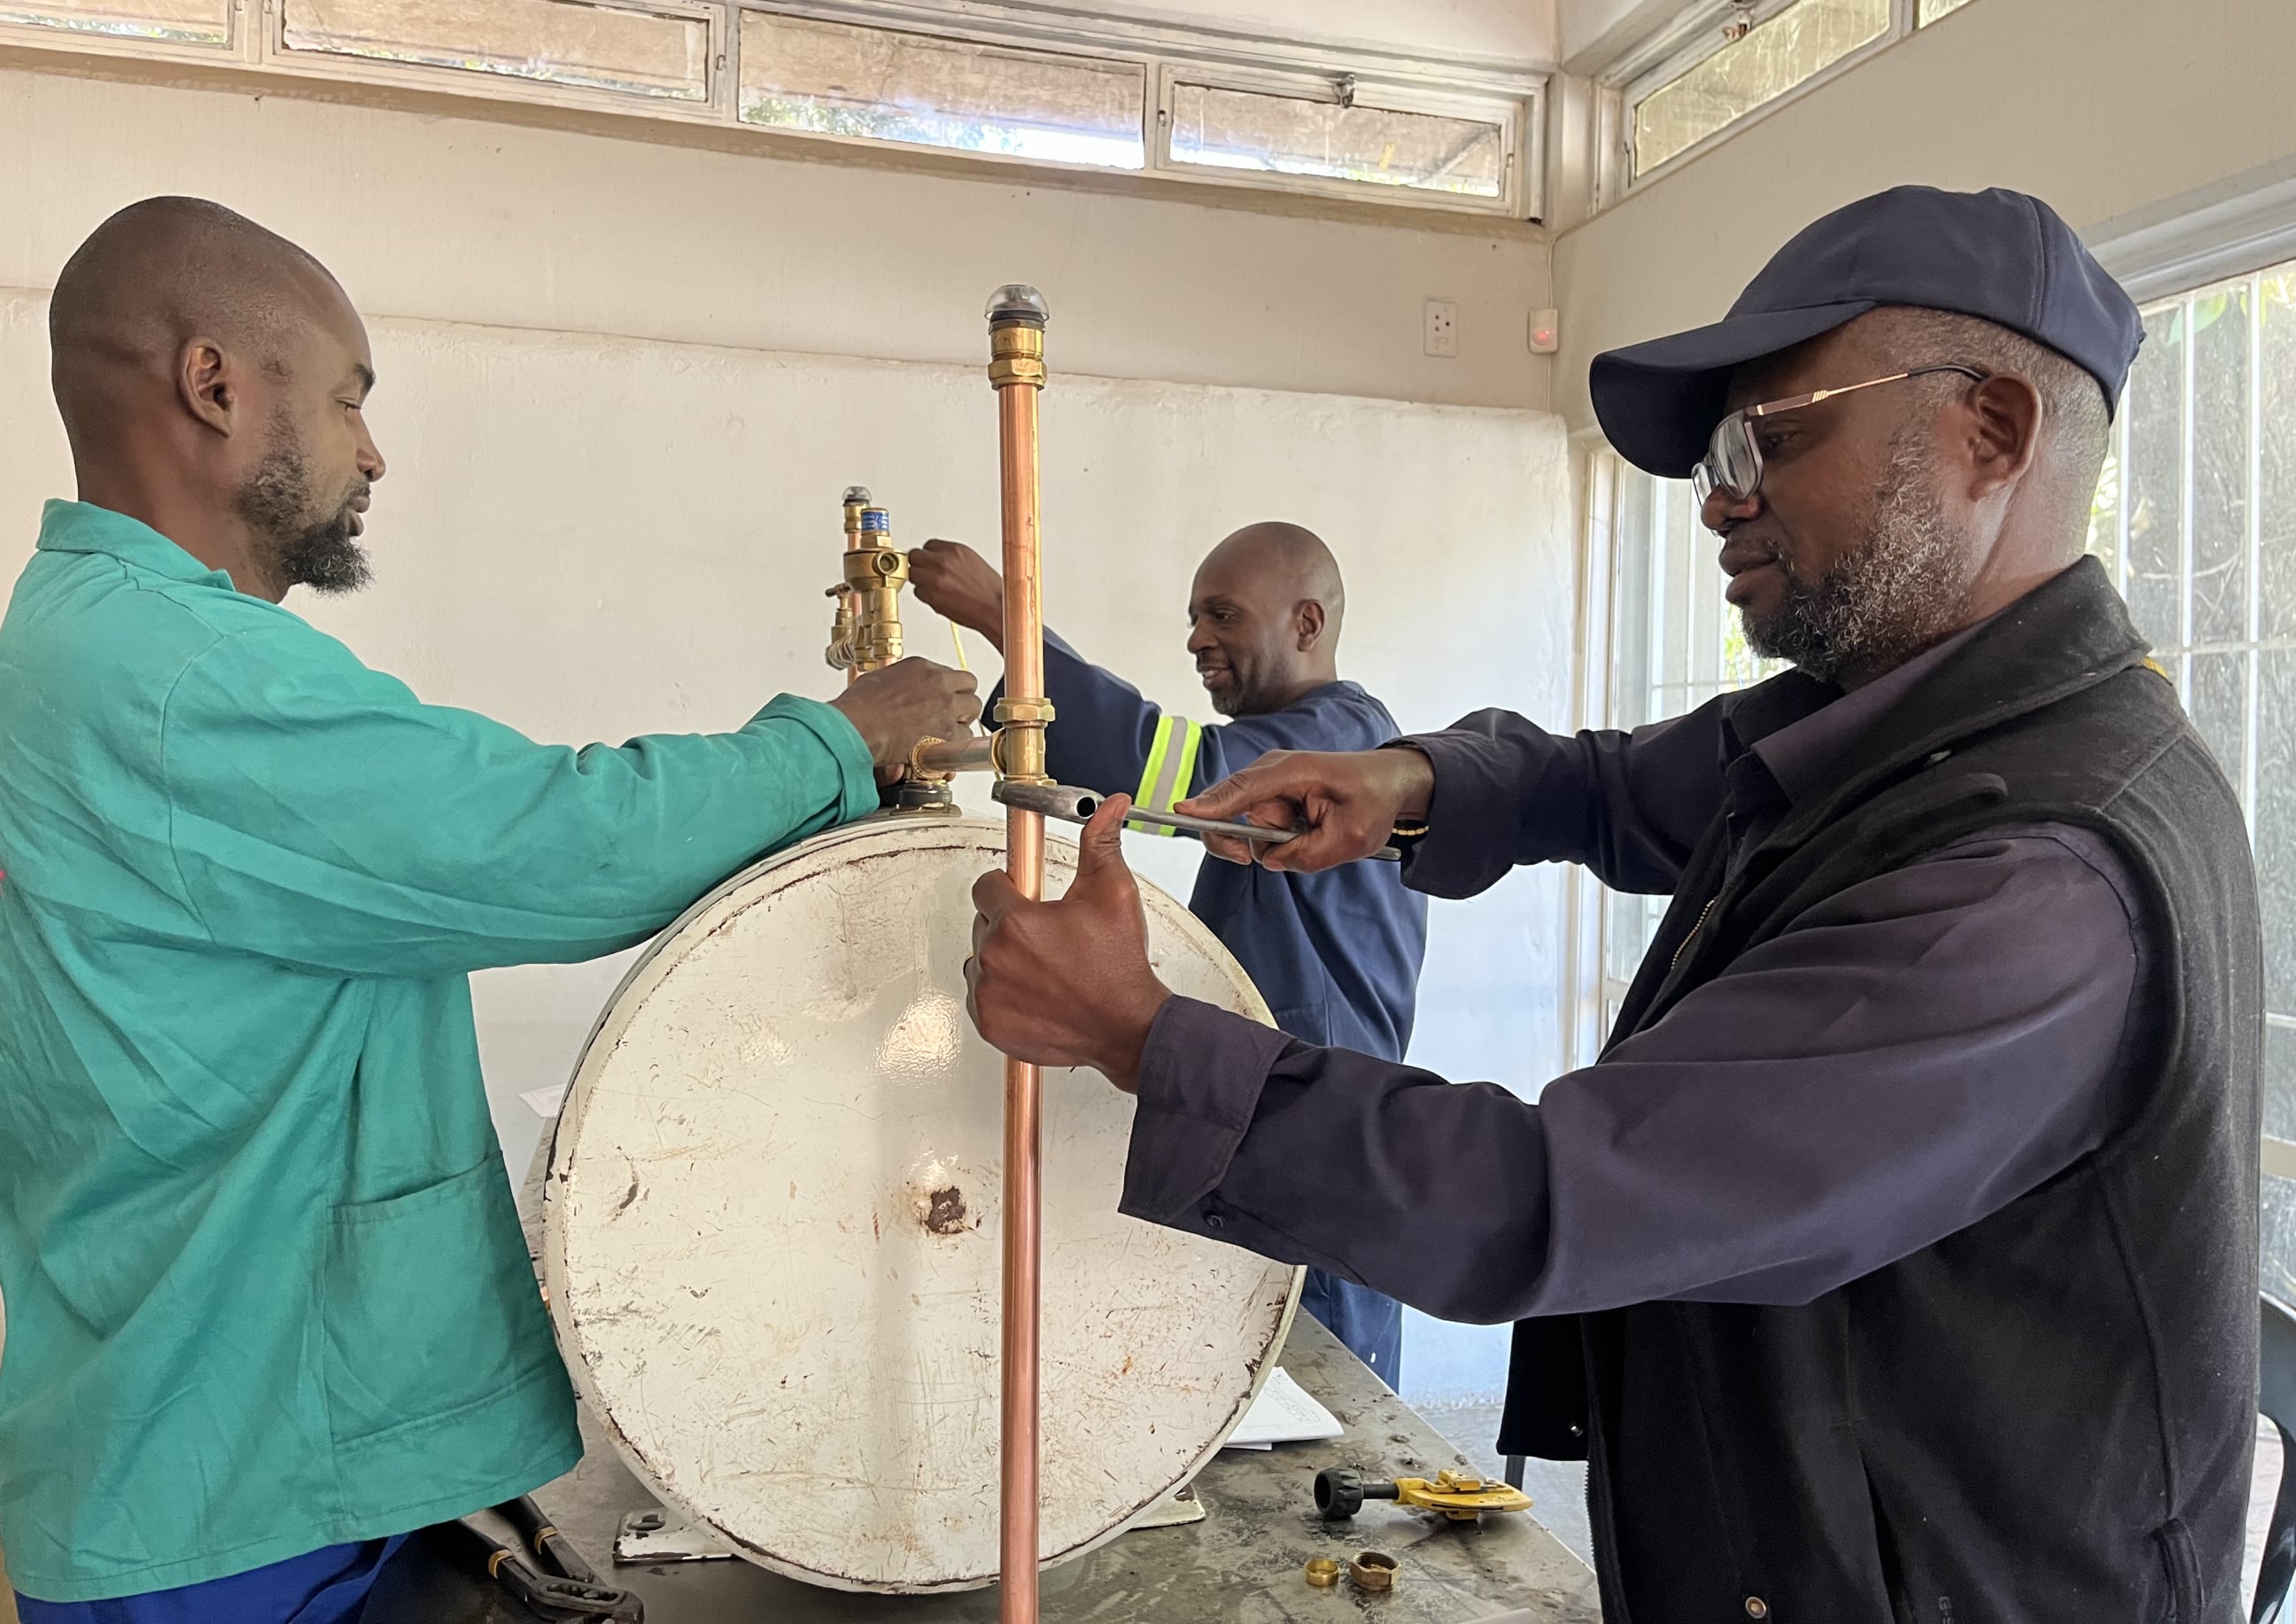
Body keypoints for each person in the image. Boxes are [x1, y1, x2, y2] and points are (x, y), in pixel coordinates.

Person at [962, 186, 2263, 1619]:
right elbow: (1600, 783)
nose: (1716, 495)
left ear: (1992, 433)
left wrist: (1140, 1032)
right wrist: (1408, 779)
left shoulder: (2031, 881)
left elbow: (1549, 1193)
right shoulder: (1890, 726)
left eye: (1769, 433)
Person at [0, 198, 979, 1620]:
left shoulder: (82, 636)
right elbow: (554, 841)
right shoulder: (177, 678)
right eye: (346, 400)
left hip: (211, 1420)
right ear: (213, 385)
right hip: (234, 1484)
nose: (372, 450)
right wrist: (841, 739)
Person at [909, 524, 1427, 1385]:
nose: (1196, 639)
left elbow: (1169, 778)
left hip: (1325, 1136)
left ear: (1306, 623)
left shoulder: (1341, 740)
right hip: (1280, 1117)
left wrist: (1007, 616)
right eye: (1193, 618)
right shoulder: (1307, 739)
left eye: (1222, 615)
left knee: (1324, 1399)